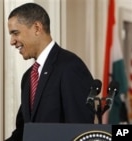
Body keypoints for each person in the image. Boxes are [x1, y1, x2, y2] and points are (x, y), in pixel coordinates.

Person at [6, 3, 95, 141]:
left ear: (37, 28)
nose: (12, 41)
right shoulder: (28, 77)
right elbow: (24, 131)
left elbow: (80, 131)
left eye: (15, 33)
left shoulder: (70, 67)